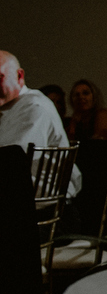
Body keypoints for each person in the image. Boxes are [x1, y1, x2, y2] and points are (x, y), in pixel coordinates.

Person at [0, 52, 80, 192]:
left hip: (40, 197)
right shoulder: (9, 106)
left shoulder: (34, 105)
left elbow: (12, 159)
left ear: (19, 76)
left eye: (0, 77)